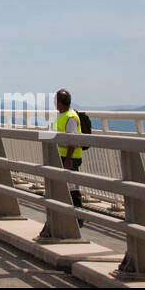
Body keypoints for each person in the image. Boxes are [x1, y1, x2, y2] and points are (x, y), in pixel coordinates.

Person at [53, 88, 85, 228]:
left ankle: (78, 218)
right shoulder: (61, 115)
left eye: (56, 101)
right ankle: (68, 215)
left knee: (72, 187)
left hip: (69, 157)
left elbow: (72, 139)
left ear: (60, 102)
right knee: (64, 186)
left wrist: (68, 159)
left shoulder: (70, 116)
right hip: (61, 155)